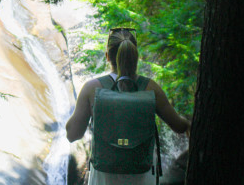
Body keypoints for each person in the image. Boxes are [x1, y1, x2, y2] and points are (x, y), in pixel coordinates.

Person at [65, 28, 191, 185]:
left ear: (107, 57)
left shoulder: (92, 89)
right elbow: (179, 126)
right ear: (135, 56)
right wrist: (188, 124)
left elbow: (73, 135)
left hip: (103, 177)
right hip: (142, 176)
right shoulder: (151, 88)